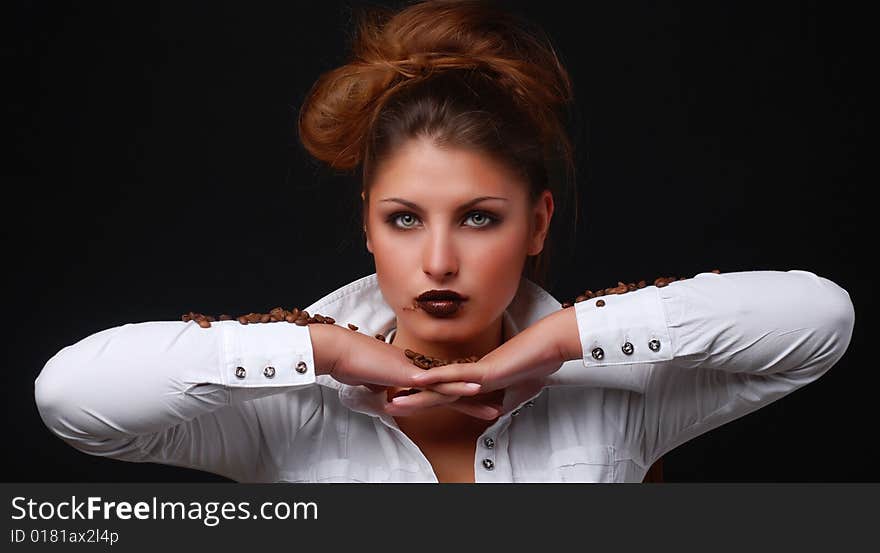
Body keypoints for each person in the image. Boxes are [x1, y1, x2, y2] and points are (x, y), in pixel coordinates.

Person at [34, 0, 854, 483]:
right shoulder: (281, 411)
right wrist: (334, 353)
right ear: (366, 223)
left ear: (536, 223)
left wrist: (546, 348)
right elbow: (71, 398)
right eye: (404, 219)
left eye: (478, 217)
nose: (436, 261)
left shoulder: (621, 395)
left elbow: (818, 320)